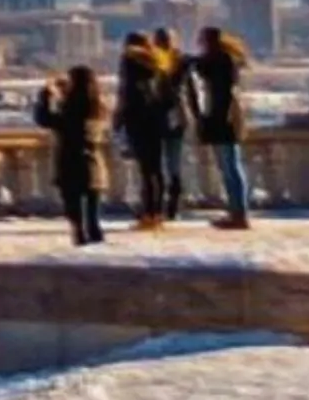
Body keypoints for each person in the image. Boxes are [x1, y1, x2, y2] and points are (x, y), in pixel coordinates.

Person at [33, 65, 108, 245]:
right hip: (93, 162)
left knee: (74, 209)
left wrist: (45, 97)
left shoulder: (72, 108)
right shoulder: (98, 106)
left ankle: (80, 237)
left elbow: (45, 119)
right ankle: (95, 239)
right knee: (92, 211)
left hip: (71, 161)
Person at [188, 27, 253, 230]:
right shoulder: (225, 61)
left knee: (230, 167)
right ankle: (237, 211)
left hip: (223, 121)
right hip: (226, 120)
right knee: (231, 166)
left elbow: (207, 77)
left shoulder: (219, 62)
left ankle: (238, 213)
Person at [112, 33, 166, 228]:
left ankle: (147, 214)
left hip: (137, 116)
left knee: (145, 170)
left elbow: (125, 91)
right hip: (156, 118)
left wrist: (118, 118)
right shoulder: (157, 62)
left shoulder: (129, 60)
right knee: (156, 169)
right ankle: (157, 213)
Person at [150, 26, 192, 225]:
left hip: (163, 117)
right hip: (174, 116)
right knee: (171, 164)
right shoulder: (181, 61)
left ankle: (167, 207)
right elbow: (190, 91)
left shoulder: (157, 62)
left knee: (164, 165)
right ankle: (171, 207)